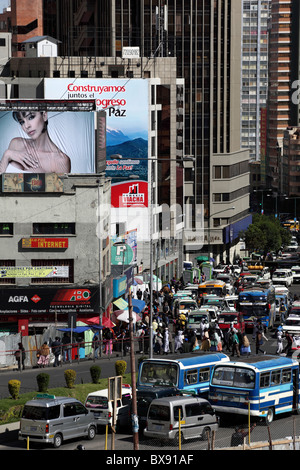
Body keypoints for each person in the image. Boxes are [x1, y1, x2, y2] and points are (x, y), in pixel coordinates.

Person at [0, 110, 71, 173]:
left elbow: (59, 188)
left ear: (44, 115)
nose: (26, 126)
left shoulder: (60, 160)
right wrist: (7, 155)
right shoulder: (16, 144)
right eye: (22, 122)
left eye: (31, 117)